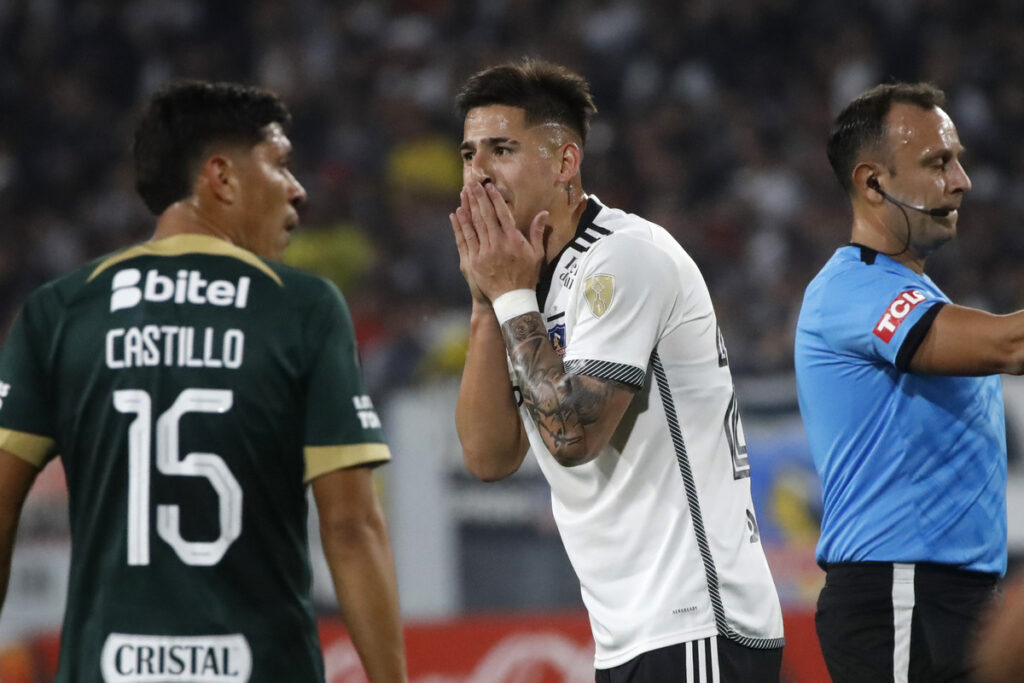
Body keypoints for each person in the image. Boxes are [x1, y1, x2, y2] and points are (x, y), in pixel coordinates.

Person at [0, 80, 407, 683]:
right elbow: (350, 526)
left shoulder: (60, 310)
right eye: (280, 164)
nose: (298, 190)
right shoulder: (301, 308)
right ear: (221, 176)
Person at [449, 58, 784, 683]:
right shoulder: (520, 281)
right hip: (629, 635)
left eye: (502, 150)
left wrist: (511, 299)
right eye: (469, 154)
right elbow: (489, 458)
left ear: (565, 162)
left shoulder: (622, 258)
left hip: (698, 624)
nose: (479, 174)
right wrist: (483, 302)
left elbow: (573, 436)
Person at [795, 82, 1015, 682]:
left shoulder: (915, 293)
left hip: (949, 597)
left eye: (958, 160)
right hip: (901, 592)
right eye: (937, 163)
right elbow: (1009, 344)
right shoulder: (850, 290)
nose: (961, 181)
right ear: (873, 183)